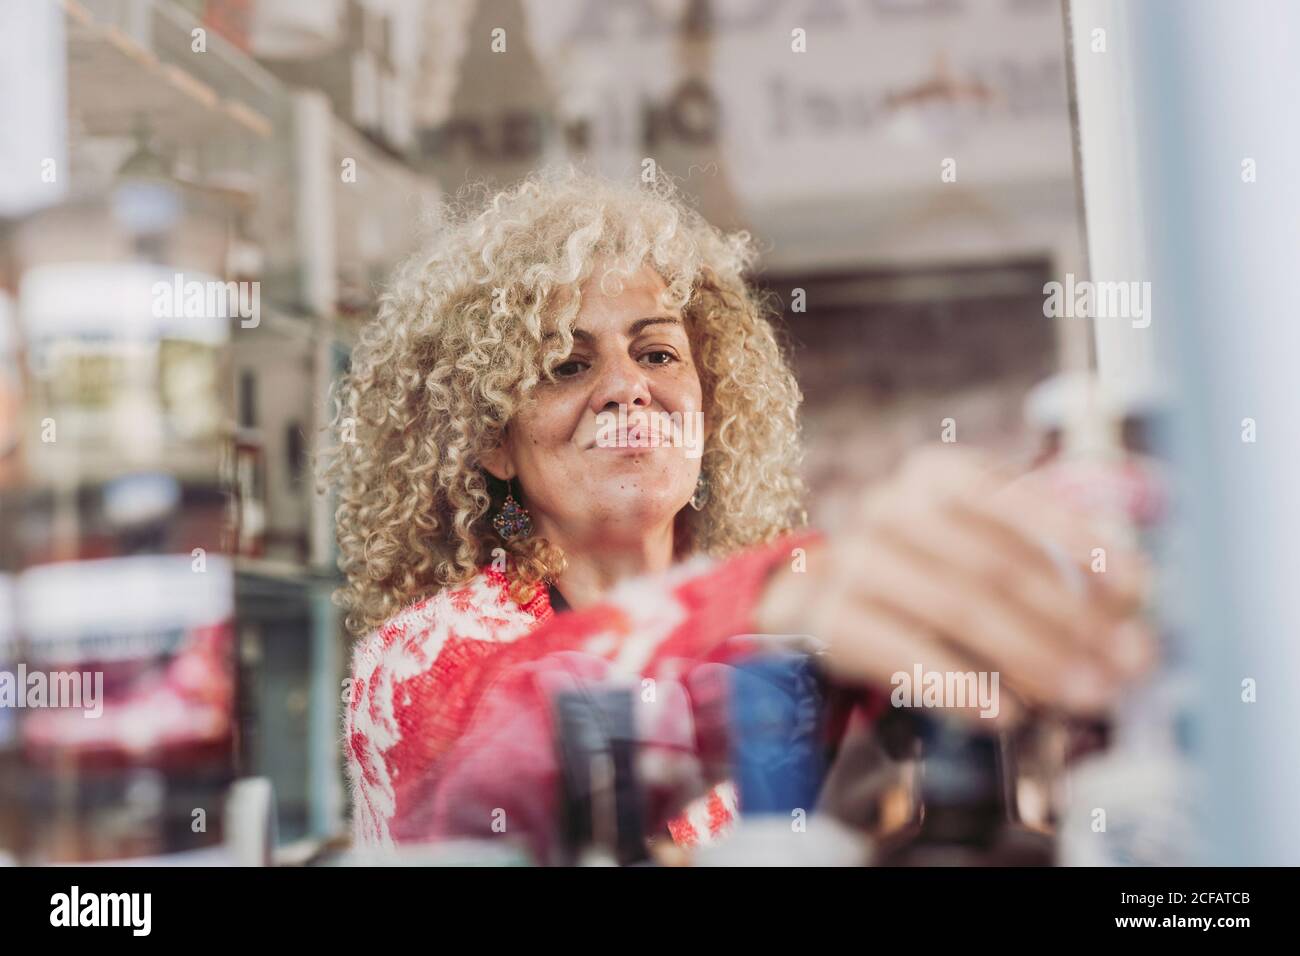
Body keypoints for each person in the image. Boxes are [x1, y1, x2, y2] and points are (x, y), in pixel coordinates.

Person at [321, 168, 1154, 860]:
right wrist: (771, 605)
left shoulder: (801, 613)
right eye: (566, 366)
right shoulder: (417, 660)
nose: (625, 388)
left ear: (709, 404)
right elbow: (482, 773)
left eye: (656, 353)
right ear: (492, 443)